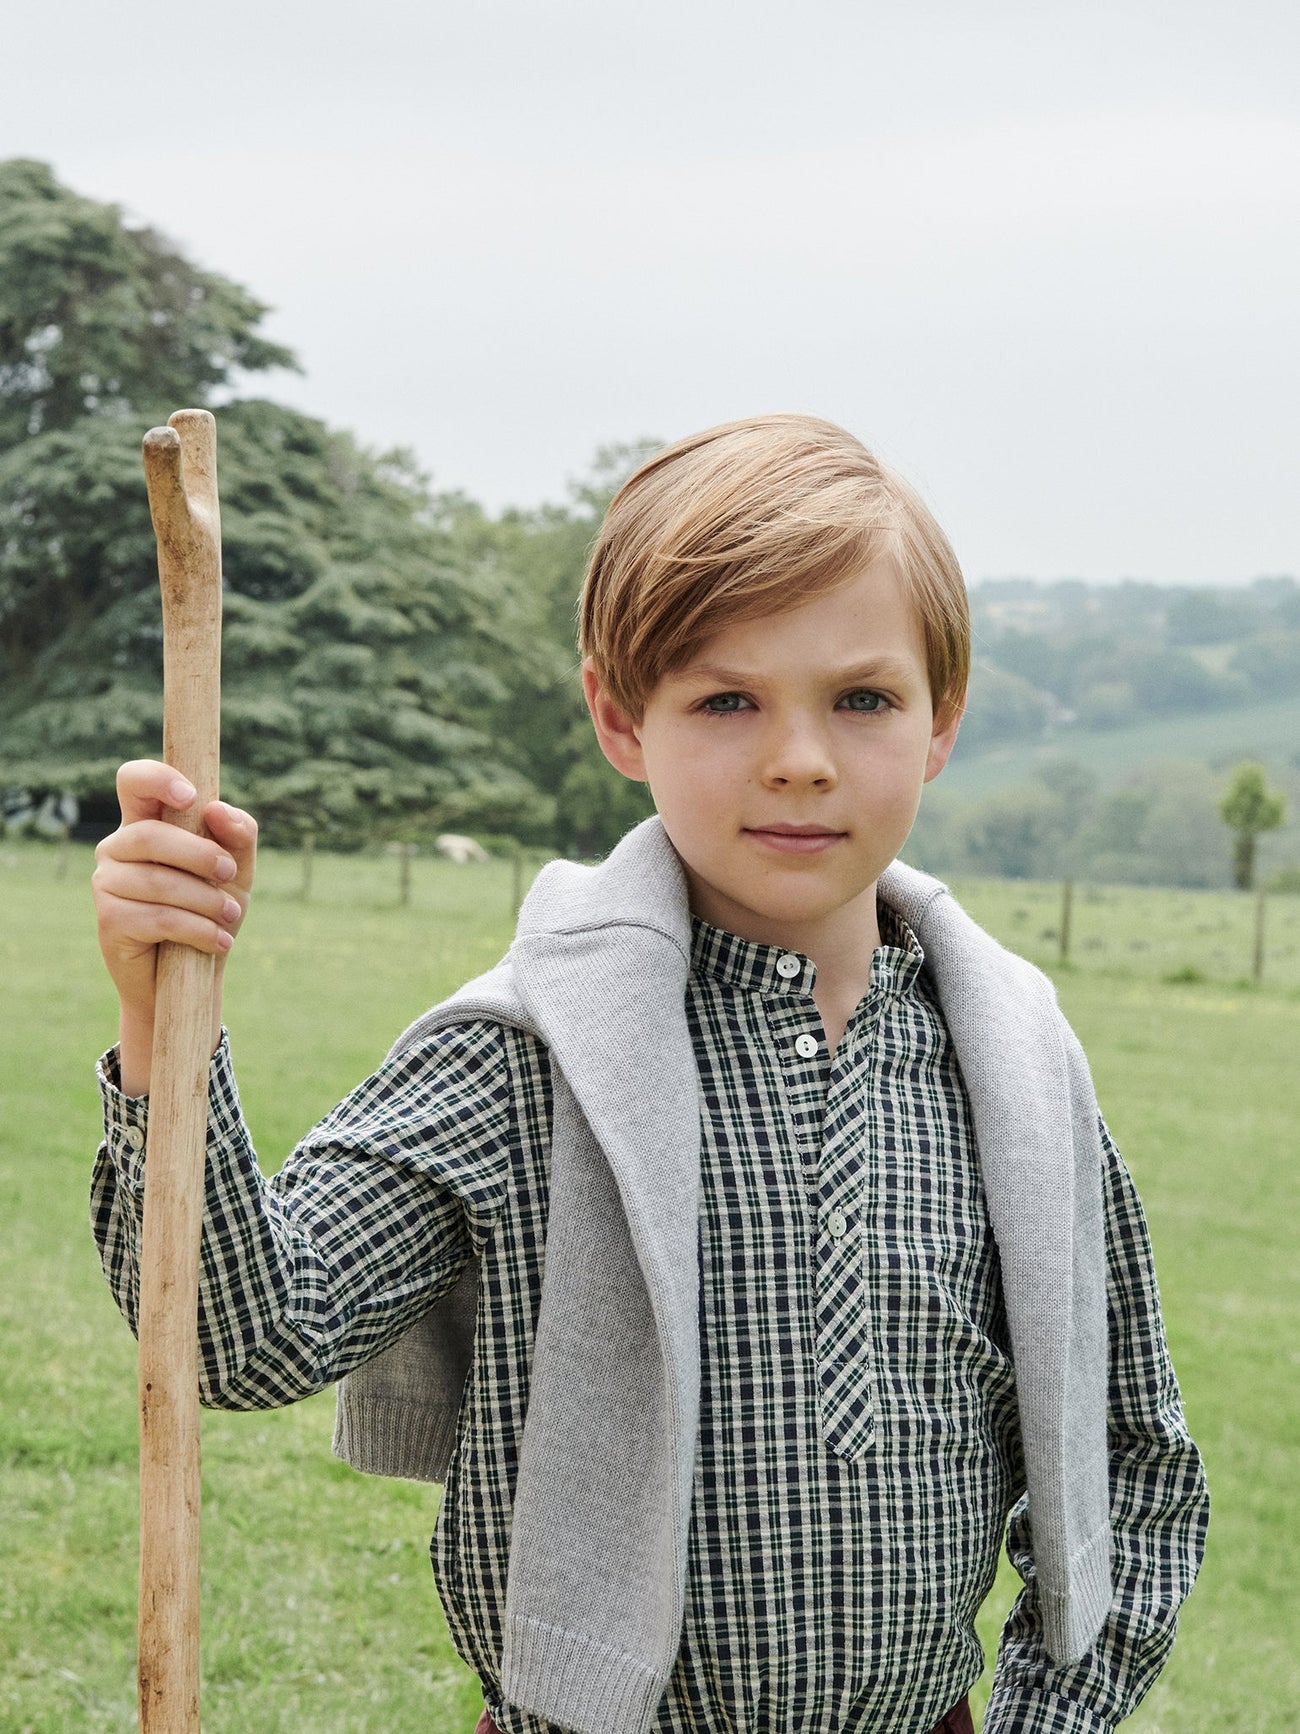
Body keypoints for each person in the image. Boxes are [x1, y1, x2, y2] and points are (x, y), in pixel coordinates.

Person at [91, 414, 1208, 1734]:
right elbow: (242, 1333)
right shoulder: (522, 1058)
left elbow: (1135, 1461)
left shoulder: (1014, 1069)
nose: (799, 754)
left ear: (941, 719)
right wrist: (166, 1020)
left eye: (862, 697)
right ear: (622, 717)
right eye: (727, 698)